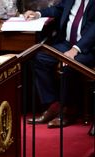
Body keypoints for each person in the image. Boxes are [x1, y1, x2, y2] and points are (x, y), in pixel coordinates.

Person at [24, 0, 95, 128]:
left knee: (69, 65)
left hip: (88, 48)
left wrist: (75, 49)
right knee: (39, 58)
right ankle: (53, 105)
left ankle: (68, 111)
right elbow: (58, 9)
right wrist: (38, 14)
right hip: (66, 44)